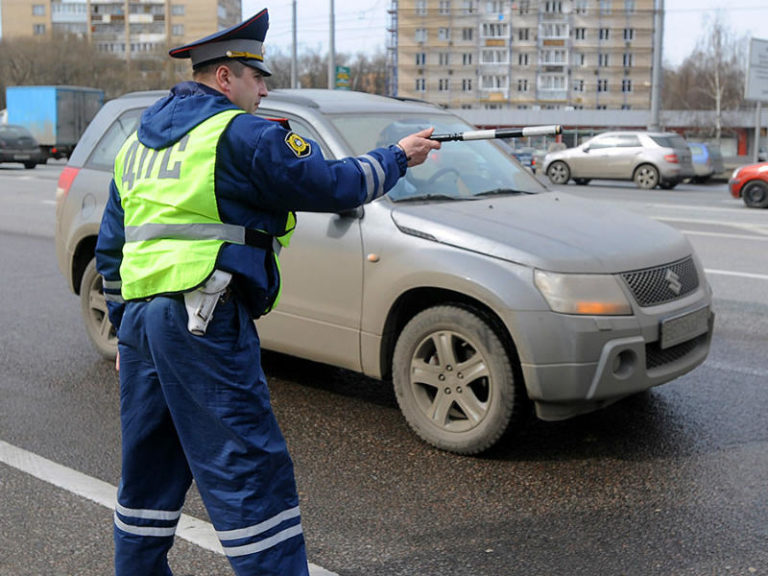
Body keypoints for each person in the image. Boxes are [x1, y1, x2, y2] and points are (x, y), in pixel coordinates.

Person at [95, 8, 440, 576]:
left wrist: (122, 327)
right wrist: (399, 156)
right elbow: (336, 184)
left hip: (140, 329)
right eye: (258, 79)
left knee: (149, 472)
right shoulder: (242, 132)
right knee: (249, 472)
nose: (264, 91)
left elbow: (113, 249)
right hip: (204, 318)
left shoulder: (137, 146)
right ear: (225, 77)